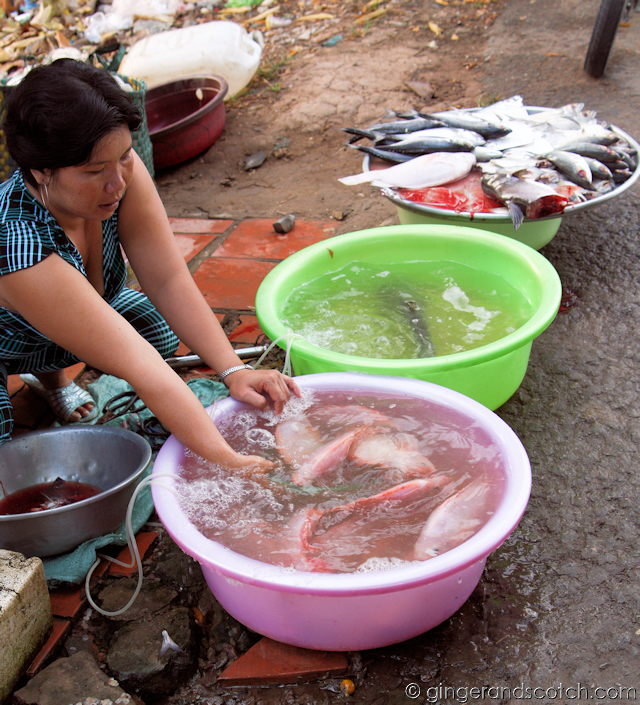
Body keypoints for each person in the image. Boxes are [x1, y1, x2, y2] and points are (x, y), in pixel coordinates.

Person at [0, 58, 299, 468]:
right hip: (8, 339)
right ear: (41, 171)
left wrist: (232, 370)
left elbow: (169, 277)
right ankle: (42, 378)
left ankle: (51, 379)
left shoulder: (116, 170)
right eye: (94, 171)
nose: (117, 183)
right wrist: (227, 460)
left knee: (153, 330)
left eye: (124, 157)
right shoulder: (19, 245)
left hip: (60, 319)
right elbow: (139, 366)